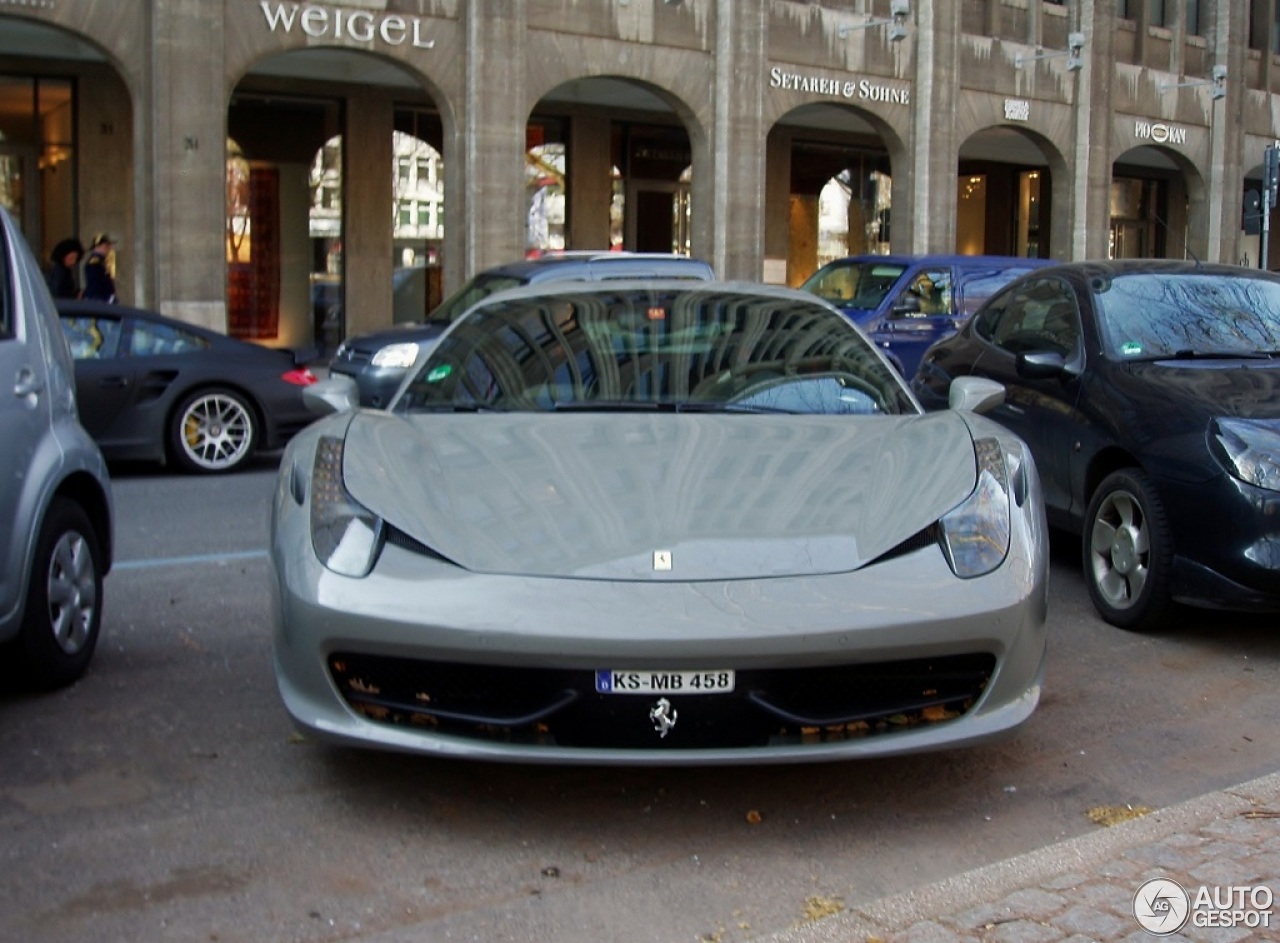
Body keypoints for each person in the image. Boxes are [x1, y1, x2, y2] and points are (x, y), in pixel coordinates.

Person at [83, 232, 117, 302]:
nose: (109, 248)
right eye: (106, 246)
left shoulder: (102, 261)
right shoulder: (94, 262)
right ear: (97, 247)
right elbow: (95, 284)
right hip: (98, 299)